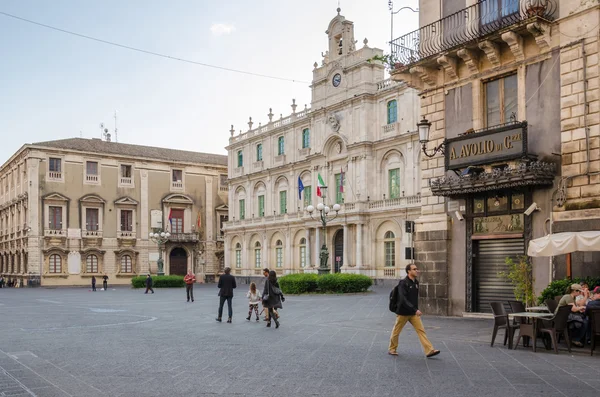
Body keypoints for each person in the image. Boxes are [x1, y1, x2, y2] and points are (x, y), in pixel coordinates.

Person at [388, 264, 440, 358]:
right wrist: (415, 309)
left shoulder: (416, 282)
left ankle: (429, 350)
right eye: (414, 269)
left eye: (417, 269)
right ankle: (392, 348)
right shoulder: (403, 283)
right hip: (403, 312)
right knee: (396, 331)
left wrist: (414, 310)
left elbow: (413, 298)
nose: (417, 270)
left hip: (413, 313)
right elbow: (403, 299)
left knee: (421, 331)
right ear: (409, 271)